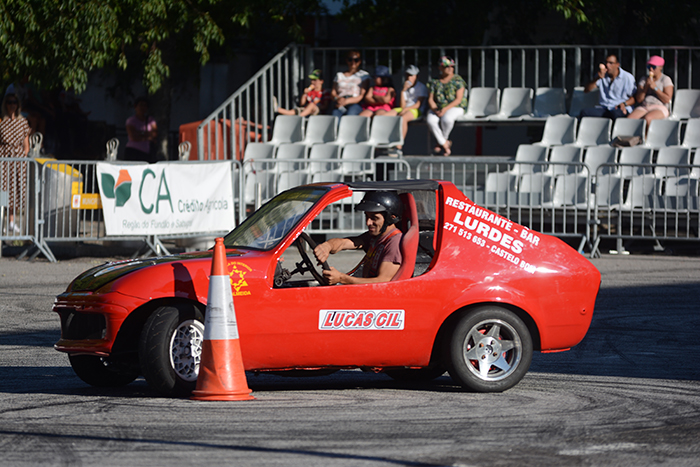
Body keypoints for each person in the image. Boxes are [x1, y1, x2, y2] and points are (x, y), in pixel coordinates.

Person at [313, 191, 403, 285]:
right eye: (367, 216)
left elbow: (382, 282)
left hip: (376, 297)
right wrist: (328, 246)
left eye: (374, 218)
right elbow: (343, 243)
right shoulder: (376, 236)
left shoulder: (394, 243)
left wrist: (341, 278)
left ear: (391, 218)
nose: (368, 223)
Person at [0, 93, 31, 234]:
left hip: (18, 161)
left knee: (16, 191)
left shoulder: (23, 122)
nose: (12, 105)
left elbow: (26, 145)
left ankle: (12, 221)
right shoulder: (1, 121)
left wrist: (21, 158)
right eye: (9, 102)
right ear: (5, 105)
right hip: (4, 160)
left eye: (14, 102)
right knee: (3, 191)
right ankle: (2, 221)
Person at [426, 56, 468, 156]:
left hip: (455, 107)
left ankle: (440, 142)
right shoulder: (434, 81)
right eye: (446, 67)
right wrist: (435, 108)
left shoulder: (458, 80)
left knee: (447, 119)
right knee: (430, 120)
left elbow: (458, 99)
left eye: (452, 66)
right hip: (439, 107)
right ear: (440, 68)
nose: (450, 69)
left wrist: (445, 109)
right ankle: (445, 143)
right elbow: (431, 99)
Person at [387, 65, 428, 157]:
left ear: (417, 76)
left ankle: (398, 147)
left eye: (411, 75)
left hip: (417, 110)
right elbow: (402, 106)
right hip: (405, 108)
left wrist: (405, 109)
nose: (409, 77)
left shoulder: (421, 87)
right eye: (407, 75)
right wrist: (403, 91)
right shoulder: (405, 86)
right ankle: (383, 142)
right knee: (385, 116)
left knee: (403, 118)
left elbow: (418, 105)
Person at [581, 53, 636, 120]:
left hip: (619, 108)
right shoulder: (601, 76)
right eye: (606, 63)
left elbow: (634, 98)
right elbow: (586, 90)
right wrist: (597, 78)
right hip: (605, 108)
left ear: (617, 65)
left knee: (615, 114)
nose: (607, 65)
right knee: (584, 113)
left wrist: (624, 104)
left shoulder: (627, 77)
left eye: (611, 63)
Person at [627, 55, 674, 130]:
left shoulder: (665, 79)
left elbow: (667, 99)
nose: (651, 69)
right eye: (649, 67)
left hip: (660, 107)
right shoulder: (644, 79)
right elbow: (639, 99)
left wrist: (655, 88)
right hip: (645, 106)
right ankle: (631, 140)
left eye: (654, 67)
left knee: (648, 119)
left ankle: (645, 139)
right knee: (630, 120)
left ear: (660, 67)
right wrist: (646, 88)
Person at [331, 50, 370, 118]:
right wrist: (338, 99)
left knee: (350, 116)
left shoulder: (364, 75)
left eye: (356, 60)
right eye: (350, 59)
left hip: (355, 103)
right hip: (340, 102)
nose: (353, 62)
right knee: (335, 117)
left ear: (360, 61)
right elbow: (333, 93)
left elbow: (362, 95)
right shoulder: (339, 75)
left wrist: (346, 101)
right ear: (346, 60)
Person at [125, 97, 158, 163]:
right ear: (135, 106)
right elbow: (133, 137)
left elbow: (155, 133)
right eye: (141, 105)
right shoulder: (131, 121)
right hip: (133, 152)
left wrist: (139, 133)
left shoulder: (150, 120)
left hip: (147, 152)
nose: (142, 107)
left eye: (145, 105)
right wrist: (148, 136)